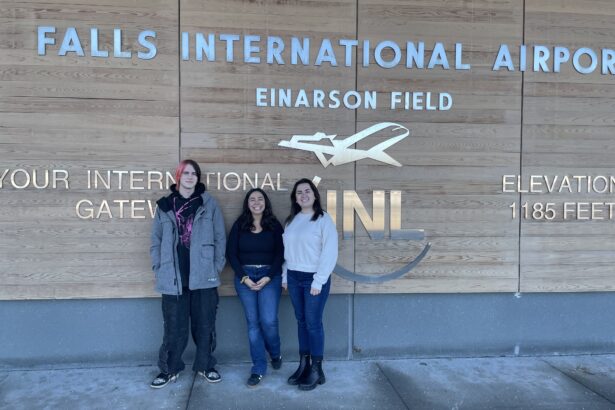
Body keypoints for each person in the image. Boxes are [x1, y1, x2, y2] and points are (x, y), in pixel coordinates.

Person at [149, 159, 226, 388]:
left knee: (205, 325)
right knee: (174, 327)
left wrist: (215, 267)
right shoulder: (164, 205)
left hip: (203, 276)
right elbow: (156, 240)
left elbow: (220, 237)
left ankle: (206, 365)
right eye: (186, 173)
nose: (190, 177)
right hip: (173, 276)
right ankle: (169, 369)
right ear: (178, 177)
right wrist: (159, 267)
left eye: (194, 173)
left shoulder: (208, 203)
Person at [282, 178, 338, 391]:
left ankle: (316, 368)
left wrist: (319, 280)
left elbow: (330, 252)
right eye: (299, 193)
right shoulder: (291, 220)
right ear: (295, 198)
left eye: (307, 191)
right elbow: (288, 253)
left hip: (314, 278)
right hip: (295, 277)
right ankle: (304, 365)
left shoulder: (323, 219)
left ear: (315, 195)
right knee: (301, 321)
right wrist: (286, 276)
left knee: (313, 322)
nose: (303, 195)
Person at [227, 188, 284, 387]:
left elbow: (281, 253)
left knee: (268, 321)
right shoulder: (239, 224)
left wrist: (269, 276)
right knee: (253, 324)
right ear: (247, 203)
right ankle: (259, 367)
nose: (256, 202)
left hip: (270, 276)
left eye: (260, 199)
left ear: (265, 203)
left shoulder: (274, 225)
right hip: (245, 278)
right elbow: (231, 254)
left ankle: (275, 353)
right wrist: (244, 278)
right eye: (252, 199)